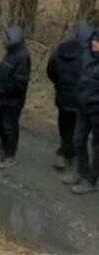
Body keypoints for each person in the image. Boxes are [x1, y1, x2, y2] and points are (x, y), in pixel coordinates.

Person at [47, 25, 93, 171]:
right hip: (81, 98)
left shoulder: (59, 50)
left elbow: (50, 70)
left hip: (62, 96)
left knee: (64, 123)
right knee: (77, 128)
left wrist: (59, 84)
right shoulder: (89, 56)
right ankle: (67, 154)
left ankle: (65, 151)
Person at [0, 26, 31, 169]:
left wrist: (3, 90)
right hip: (5, 97)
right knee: (0, 122)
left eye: (6, 38)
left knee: (10, 126)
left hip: (13, 99)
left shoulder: (22, 56)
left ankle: (10, 154)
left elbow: (20, 82)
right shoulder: (11, 52)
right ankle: (3, 148)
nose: (3, 41)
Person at [65, 31, 99, 195]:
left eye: (97, 42)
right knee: (78, 140)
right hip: (82, 108)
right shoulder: (87, 56)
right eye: (93, 40)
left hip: (96, 111)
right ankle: (82, 171)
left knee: (97, 146)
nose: (94, 43)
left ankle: (92, 180)